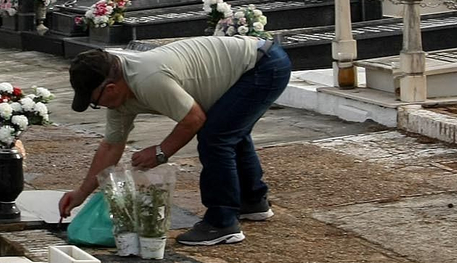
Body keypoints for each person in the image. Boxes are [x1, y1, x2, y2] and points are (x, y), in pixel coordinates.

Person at [59, 36, 293, 246]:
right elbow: (111, 146)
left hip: (263, 65)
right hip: (253, 63)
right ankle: (252, 202)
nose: (99, 107)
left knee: (215, 138)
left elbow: (193, 119)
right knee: (228, 131)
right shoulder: (119, 94)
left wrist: (161, 152)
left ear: (109, 88)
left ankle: (222, 223)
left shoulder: (148, 79)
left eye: (95, 102)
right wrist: (81, 192)